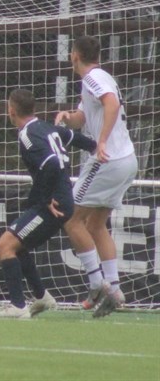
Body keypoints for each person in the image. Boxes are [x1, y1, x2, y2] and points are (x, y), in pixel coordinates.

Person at [0, 89, 97, 319]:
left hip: (53, 204)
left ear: (11, 111)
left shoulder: (27, 135)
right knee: (17, 245)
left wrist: (45, 198)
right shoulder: (48, 128)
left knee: (5, 245)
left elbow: (51, 163)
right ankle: (41, 297)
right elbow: (76, 139)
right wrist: (97, 148)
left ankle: (18, 306)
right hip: (60, 200)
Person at [54, 35, 138, 318]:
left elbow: (111, 104)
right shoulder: (99, 78)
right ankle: (115, 290)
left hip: (107, 159)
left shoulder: (93, 77)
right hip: (126, 160)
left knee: (71, 218)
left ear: (74, 55)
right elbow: (84, 118)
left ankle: (96, 284)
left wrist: (101, 141)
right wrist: (68, 117)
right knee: (96, 224)